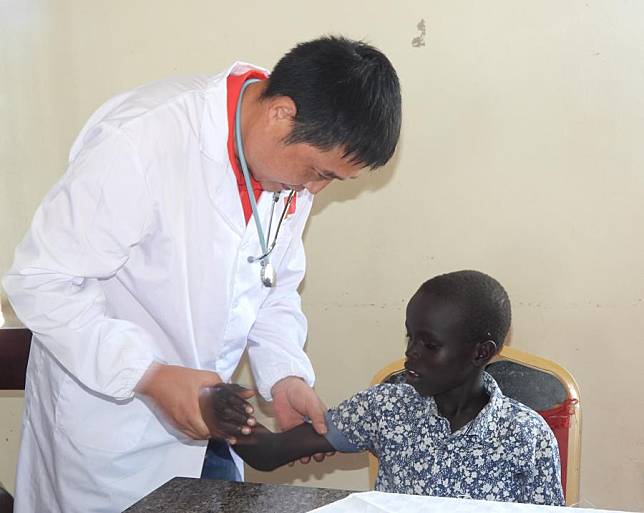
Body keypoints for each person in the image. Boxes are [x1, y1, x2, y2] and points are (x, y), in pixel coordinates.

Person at [2, 36, 401, 513]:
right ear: (281, 114)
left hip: (211, 428)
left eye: (331, 179)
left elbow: (272, 284)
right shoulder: (142, 142)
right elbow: (40, 282)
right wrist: (148, 375)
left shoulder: (283, 170)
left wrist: (285, 374)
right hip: (110, 429)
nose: (314, 189)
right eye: (319, 172)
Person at [203, 270, 565, 506]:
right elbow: (271, 453)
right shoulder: (387, 408)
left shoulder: (526, 437)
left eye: (429, 344)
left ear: (480, 352)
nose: (410, 353)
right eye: (410, 336)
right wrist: (226, 415)